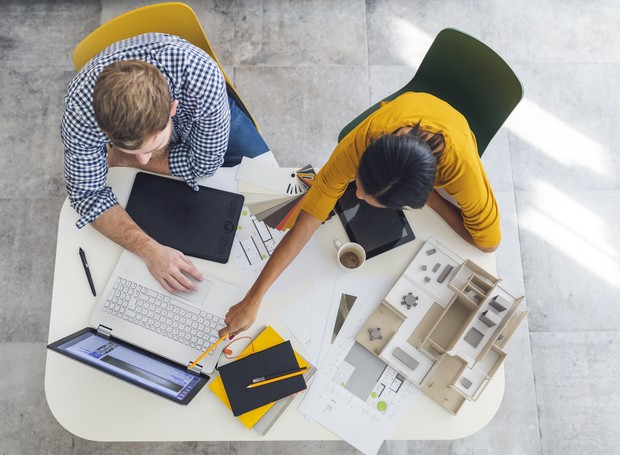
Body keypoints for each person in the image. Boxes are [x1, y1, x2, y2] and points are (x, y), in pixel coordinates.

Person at [220, 91, 501, 337]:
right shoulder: (362, 141)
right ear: (365, 157)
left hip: (454, 132)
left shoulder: (461, 169)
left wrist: (433, 199)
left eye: (369, 196)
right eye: (360, 183)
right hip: (408, 109)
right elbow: (306, 224)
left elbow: (488, 243)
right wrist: (253, 299)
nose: (356, 194)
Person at [61, 33, 269, 295]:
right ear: (103, 129)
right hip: (175, 130)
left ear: (172, 108)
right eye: (133, 153)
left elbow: (205, 166)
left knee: (266, 178)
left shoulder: (201, 76)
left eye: (149, 149)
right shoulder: (81, 111)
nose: (143, 162)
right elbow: (86, 196)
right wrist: (150, 251)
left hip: (202, 113)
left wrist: (123, 158)